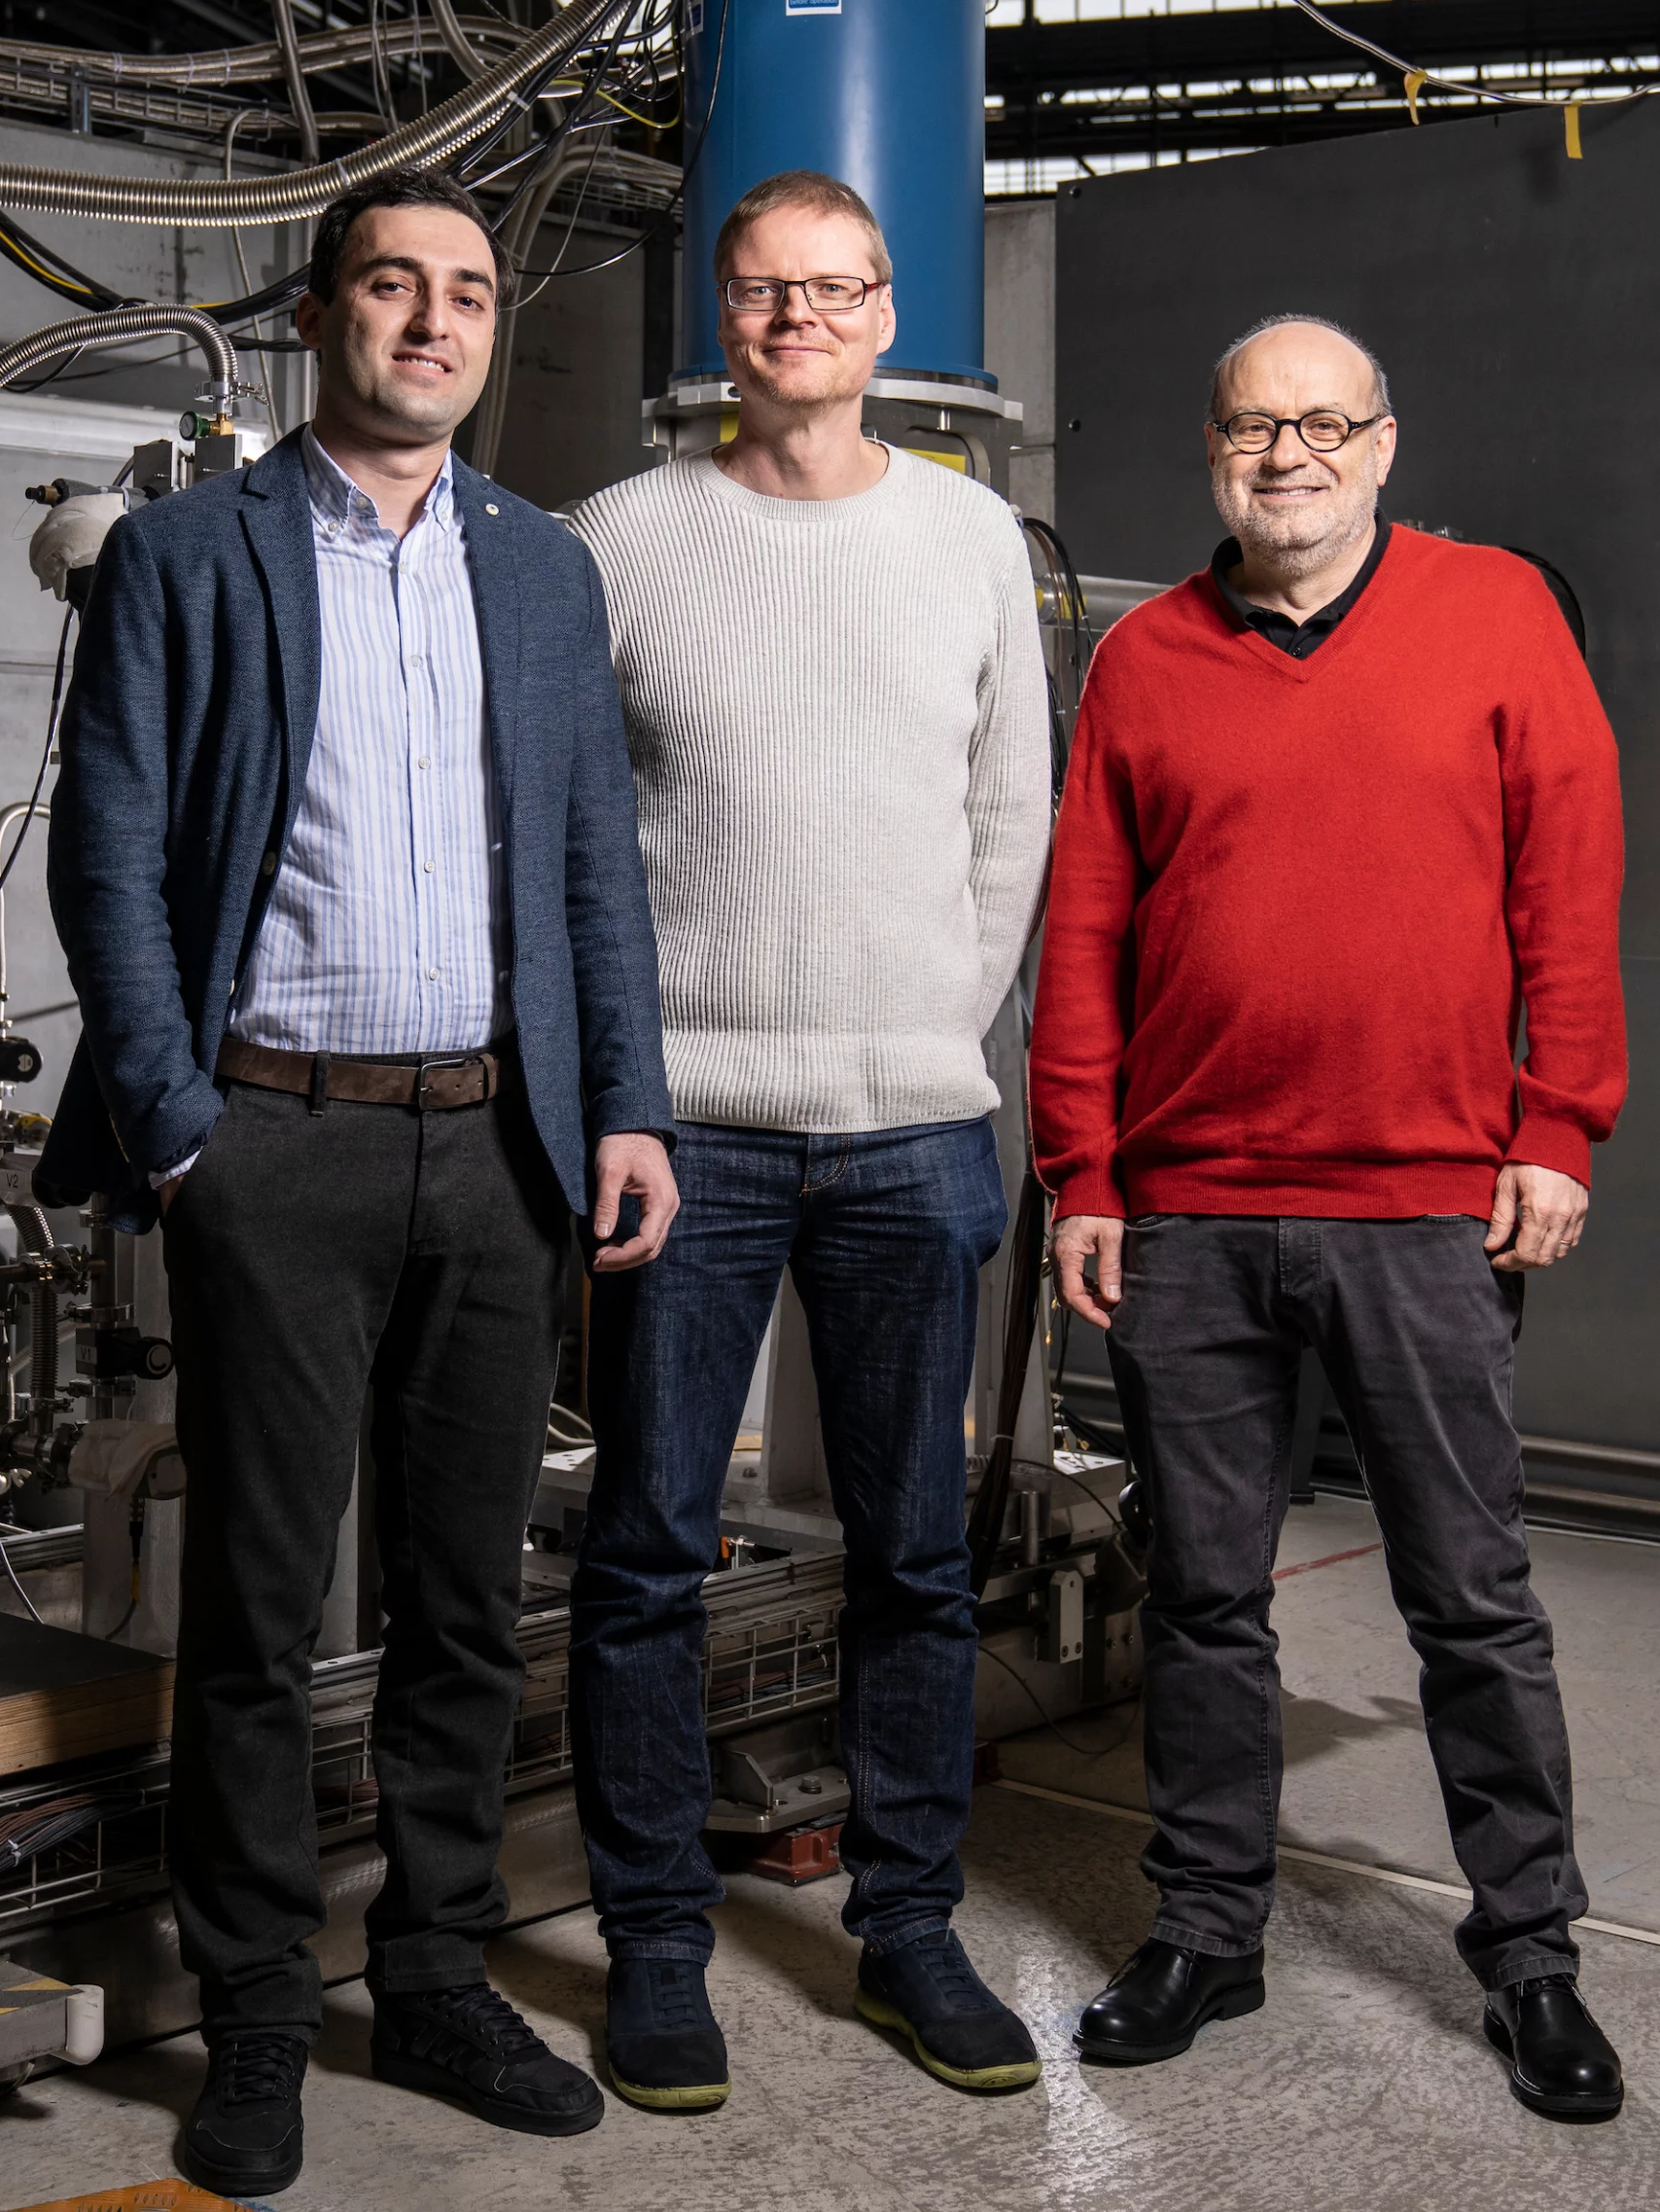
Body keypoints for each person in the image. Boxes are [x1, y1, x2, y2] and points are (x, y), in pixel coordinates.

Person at [42, 164, 683, 2198]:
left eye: (469, 292)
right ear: (325, 314)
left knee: (469, 1601)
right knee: (252, 1601)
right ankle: (250, 2010)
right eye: (395, 284)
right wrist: (176, 1124)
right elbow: (111, 851)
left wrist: (627, 1106)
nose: (434, 319)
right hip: (275, 1138)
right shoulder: (186, 553)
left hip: (499, 1142)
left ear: (494, 329)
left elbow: (595, 864)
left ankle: (430, 1968)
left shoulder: (544, 569)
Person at [1026, 313, 1630, 2123]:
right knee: (1206, 1600)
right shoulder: (1143, 659)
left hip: (1429, 1209)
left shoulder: (1496, 614)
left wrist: (1560, 1128)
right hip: (1194, 1213)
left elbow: (1573, 885)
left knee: (1472, 1596)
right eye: (1248, 427)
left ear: (1383, 443)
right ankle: (1207, 1928)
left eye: (1320, 424)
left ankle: (1531, 1956)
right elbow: (1084, 933)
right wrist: (1082, 1163)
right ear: (1210, 450)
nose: (1283, 454)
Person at [562, 168, 1053, 2110]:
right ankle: (658, 1944)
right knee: (645, 1550)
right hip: (687, 1128)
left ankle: (909, 1925)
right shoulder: (622, 536)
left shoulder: (966, 540)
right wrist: (619, 1080)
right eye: (763, 293)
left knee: (917, 1556)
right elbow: (582, 835)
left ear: (883, 309)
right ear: (720, 314)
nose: (797, 322)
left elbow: (1012, 806)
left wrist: (940, 1013)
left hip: (916, 1123)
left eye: (832, 290)